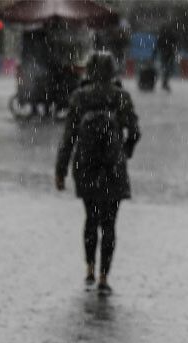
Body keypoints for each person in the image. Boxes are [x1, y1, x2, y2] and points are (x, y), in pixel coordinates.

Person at [55, 52, 141, 296]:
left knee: (91, 219)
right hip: (113, 168)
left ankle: (90, 269)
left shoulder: (80, 97)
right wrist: (124, 153)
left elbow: (68, 138)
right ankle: (104, 276)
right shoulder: (121, 97)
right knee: (110, 223)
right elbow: (135, 132)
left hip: (86, 166)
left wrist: (60, 170)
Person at [155, 22, 179, 92]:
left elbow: (158, 46)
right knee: (168, 69)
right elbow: (175, 44)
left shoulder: (162, 36)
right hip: (169, 54)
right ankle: (165, 82)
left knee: (166, 68)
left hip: (165, 54)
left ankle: (164, 82)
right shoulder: (171, 35)